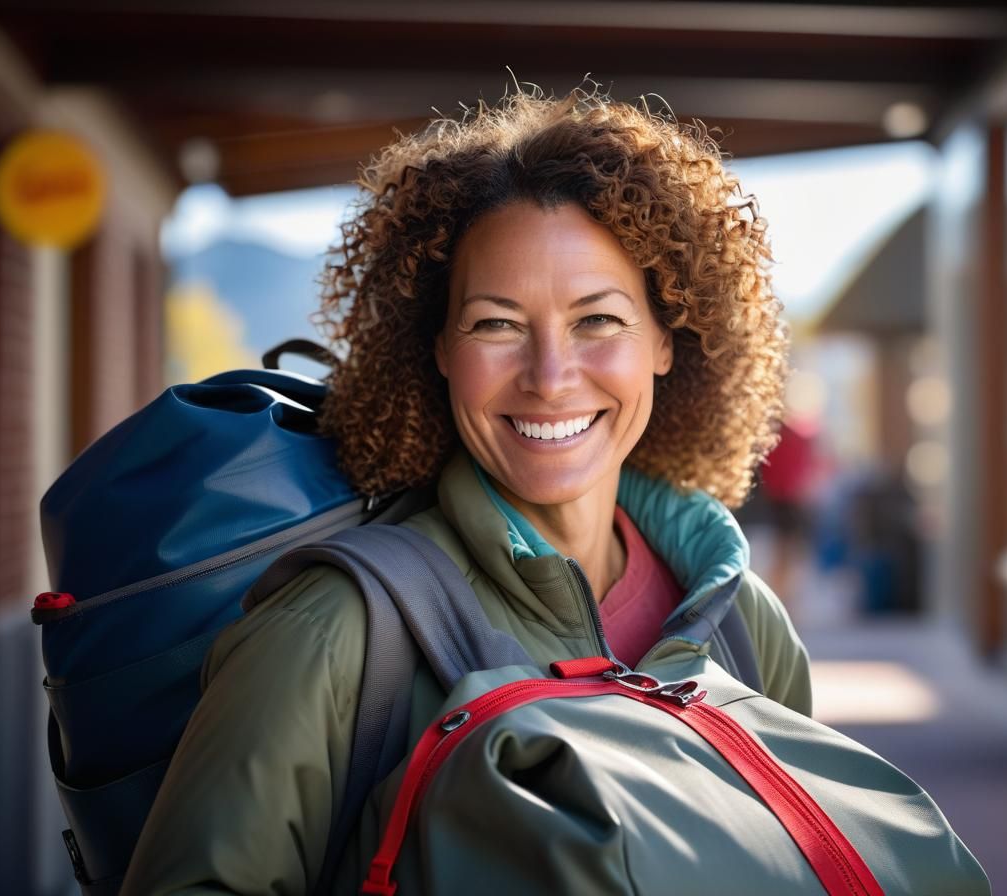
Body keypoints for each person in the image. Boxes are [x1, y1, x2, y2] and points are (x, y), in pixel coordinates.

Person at [122, 86, 811, 896]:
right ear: (440, 349)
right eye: (496, 323)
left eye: (597, 320)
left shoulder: (742, 621)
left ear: (665, 339)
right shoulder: (334, 633)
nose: (550, 377)